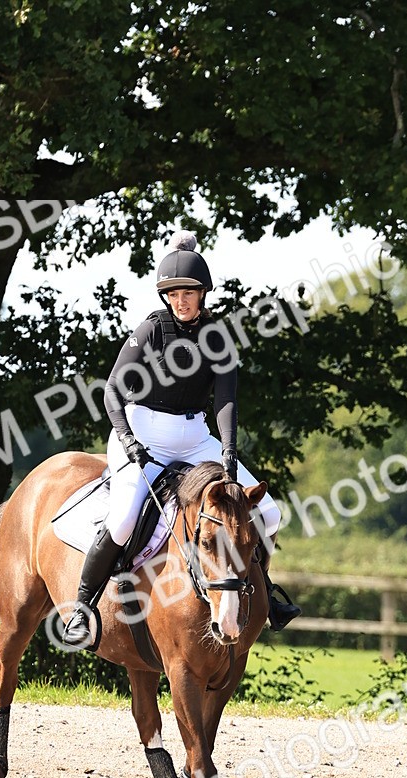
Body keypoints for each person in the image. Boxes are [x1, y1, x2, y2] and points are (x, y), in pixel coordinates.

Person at [63, 231, 300, 646]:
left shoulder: (218, 338)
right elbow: (113, 390)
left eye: (188, 291)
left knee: (272, 514)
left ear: (202, 292)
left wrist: (227, 449)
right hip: (141, 430)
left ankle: (262, 592)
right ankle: (83, 609)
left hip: (195, 436)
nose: (181, 300)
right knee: (121, 521)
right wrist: (127, 439)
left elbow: (226, 400)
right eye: (173, 293)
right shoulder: (151, 329)